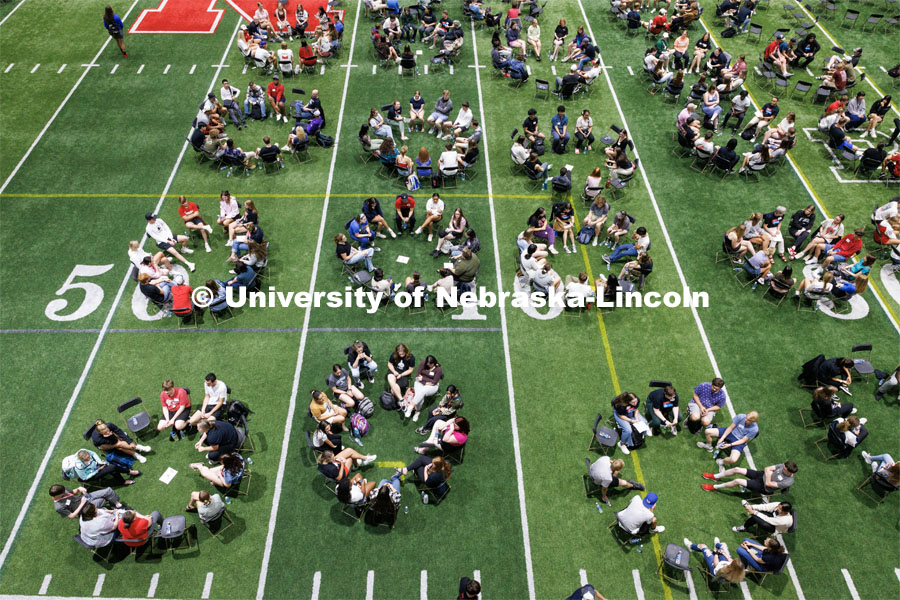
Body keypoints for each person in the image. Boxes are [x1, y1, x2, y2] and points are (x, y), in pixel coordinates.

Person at [703, 460, 797, 494]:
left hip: (763, 487)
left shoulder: (788, 481)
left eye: (783, 469)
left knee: (737, 481)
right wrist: (768, 473)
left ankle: (714, 487)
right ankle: (715, 476)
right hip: (761, 475)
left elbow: (768, 483)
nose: (781, 468)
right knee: (736, 469)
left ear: (788, 471)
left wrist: (768, 474)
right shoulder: (784, 465)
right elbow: (767, 468)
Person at [50, 484, 124, 520]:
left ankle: (115, 504)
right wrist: (82, 504)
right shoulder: (59, 507)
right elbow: (72, 516)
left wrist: (79, 488)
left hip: (86, 497)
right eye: (63, 493)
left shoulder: (63, 491)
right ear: (58, 495)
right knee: (103, 499)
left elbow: (73, 492)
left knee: (108, 490)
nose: (65, 493)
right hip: (86, 508)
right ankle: (112, 507)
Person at [403, 355, 442, 421]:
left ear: (434, 363)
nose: (428, 365)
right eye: (427, 363)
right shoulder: (423, 363)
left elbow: (434, 382)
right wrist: (425, 382)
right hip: (419, 382)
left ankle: (411, 406)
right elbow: (418, 375)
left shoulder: (438, 369)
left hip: (432, 386)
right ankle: (417, 411)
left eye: (430, 364)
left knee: (422, 391)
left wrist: (423, 379)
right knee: (420, 394)